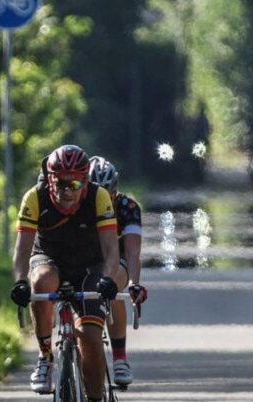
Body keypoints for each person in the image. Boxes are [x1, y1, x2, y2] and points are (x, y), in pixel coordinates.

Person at [9, 144, 121, 401]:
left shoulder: (99, 197)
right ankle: (45, 356)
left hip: (89, 265)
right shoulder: (35, 198)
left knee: (90, 337)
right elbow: (22, 250)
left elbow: (111, 249)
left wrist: (109, 278)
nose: (67, 191)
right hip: (49, 258)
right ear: (50, 179)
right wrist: (20, 282)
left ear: (85, 181)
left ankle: (95, 397)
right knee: (41, 280)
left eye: (75, 184)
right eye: (60, 183)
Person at [87, 156, 148, 387]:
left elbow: (132, 252)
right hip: (86, 259)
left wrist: (134, 283)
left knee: (111, 287)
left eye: (109, 194)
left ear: (115, 191)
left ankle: (120, 359)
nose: (103, 200)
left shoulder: (127, 208)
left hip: (118, 258)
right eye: (97, 194)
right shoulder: (76, 205)